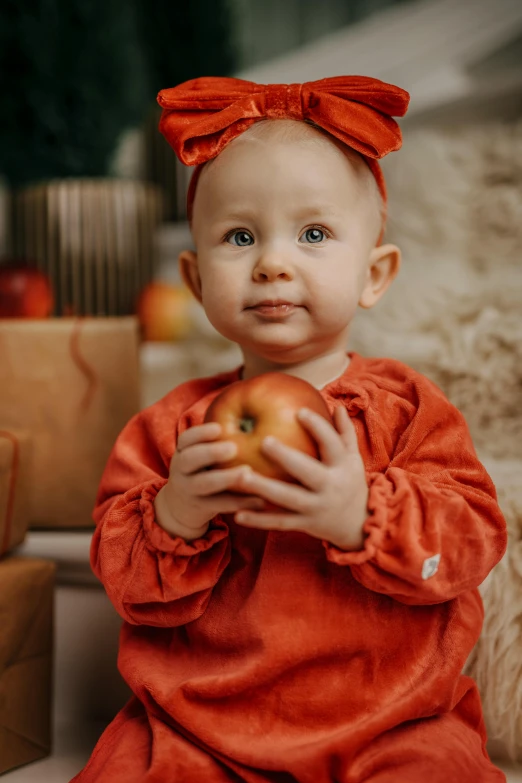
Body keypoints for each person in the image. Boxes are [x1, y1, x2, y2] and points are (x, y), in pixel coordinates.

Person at [71, 76, 507, 782]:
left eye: (313, 233)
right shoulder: (172, 430)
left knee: (436, 767)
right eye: (240, 236)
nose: (273, 262)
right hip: (203, 723)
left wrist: (362, 513)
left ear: (375, 274)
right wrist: (175, 513)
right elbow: (124, 580)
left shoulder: (406, 408)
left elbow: (473, 539)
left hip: (385, 719)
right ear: (195, 279)